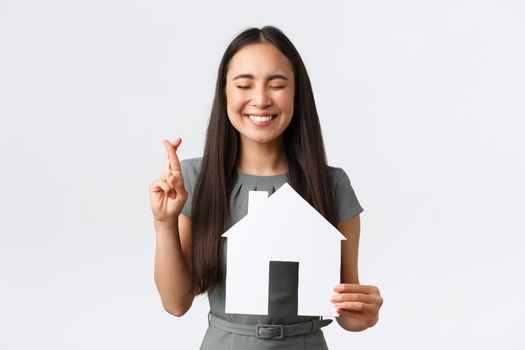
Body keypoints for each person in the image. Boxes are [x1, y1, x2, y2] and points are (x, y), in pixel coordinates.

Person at [149, 26, 383, 349]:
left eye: (277, 85)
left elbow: (346, 309)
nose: (260, 100)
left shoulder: (331, 185)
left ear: (297, 95)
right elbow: (176, 303)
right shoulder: (195, 179)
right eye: (244, 84)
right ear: (225, 93)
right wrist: (164, 223)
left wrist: (365, 312)